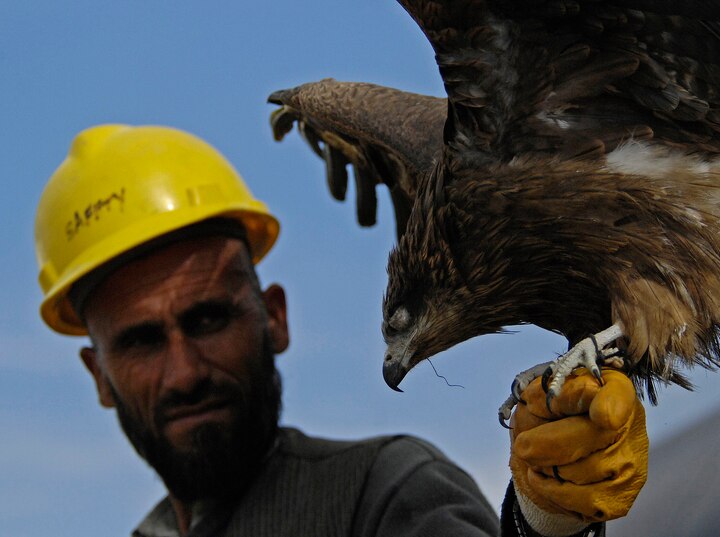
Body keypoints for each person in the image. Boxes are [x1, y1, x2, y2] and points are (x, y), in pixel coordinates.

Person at [34, 124, 648, 537]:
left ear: (274, 317)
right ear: (99, 376)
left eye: (208, 318)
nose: (185, 371)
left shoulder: (384, 495)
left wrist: (543, 521)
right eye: (140, 340)